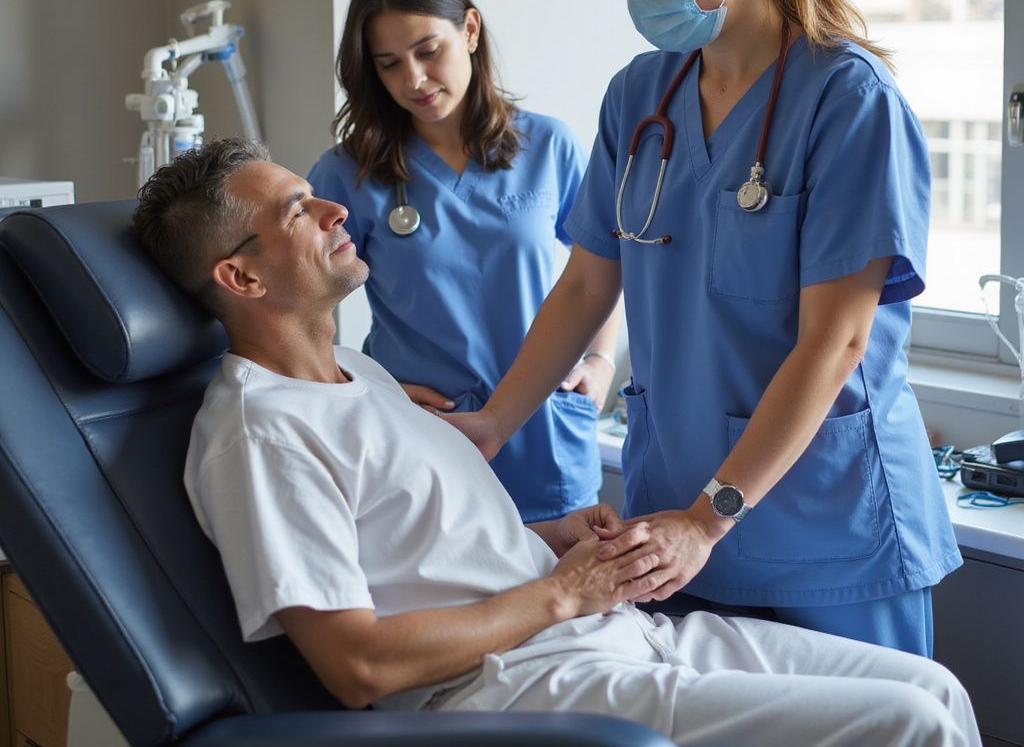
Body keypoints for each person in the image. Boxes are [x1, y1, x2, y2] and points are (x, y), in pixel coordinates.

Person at [131, 138, 980, 747]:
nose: (332, 206)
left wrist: (552, 541)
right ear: (241, 278)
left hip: (608, 633)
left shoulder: (359, 373)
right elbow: (357, 663)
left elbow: (417, 557)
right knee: (902, 726)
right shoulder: (262, 433)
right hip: (515, 688)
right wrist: (562, 596)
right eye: (296, 211)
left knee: (931, 688)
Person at [443, 0, 961, 657]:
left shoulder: (848, 101)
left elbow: (840, 341)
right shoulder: (639, 98)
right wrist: (495, 422)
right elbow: (586, 285)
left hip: (819, 525)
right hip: (672, 525)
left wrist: (708, 518)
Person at [307, 0, 620, 522]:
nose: (415, 80)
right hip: (425, 435)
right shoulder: (346, 173)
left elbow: (600, 266)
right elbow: (291, 306)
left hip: (545, 435)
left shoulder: (549, 147)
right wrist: (370, 390)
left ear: (469, 29)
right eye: (389, 64)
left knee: (567, 603)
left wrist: (601, 360)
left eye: (429, 51)